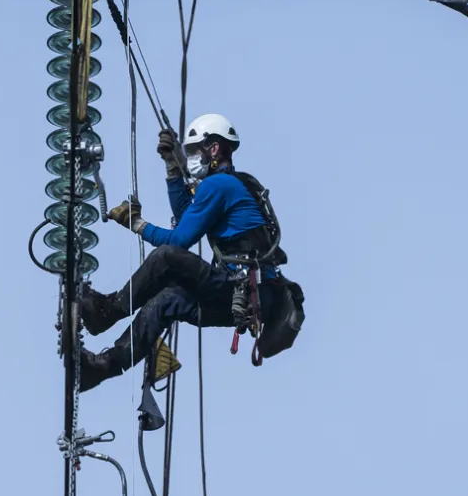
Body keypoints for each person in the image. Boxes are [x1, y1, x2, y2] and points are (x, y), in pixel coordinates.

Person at [73, 113, 302, 391]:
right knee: (164, 302)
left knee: (167, 257)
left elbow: (180, 239)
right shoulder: (226, 185)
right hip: (249, 298)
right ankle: (102, 367)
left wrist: (137, 224)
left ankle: (107, 311)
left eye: (194, 150)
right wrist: (172, 167)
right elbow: (187, 217)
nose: (191, 157)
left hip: (242, 290)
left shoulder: (220, 185)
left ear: (214, 148)